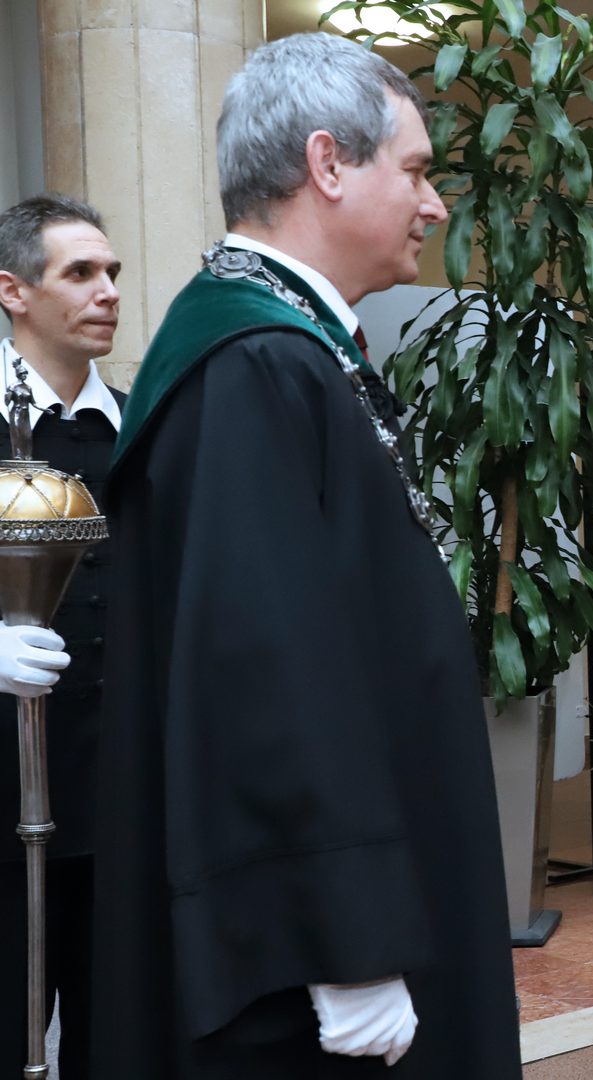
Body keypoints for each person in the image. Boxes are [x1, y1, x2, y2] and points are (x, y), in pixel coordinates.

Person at [91, 33, 520, 1078]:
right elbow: (267, 669)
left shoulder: (292, 351)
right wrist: (343, 940)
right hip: (312, 975)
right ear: (328, 164)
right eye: (415, 170)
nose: (435, 205)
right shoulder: (253, 363)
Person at [0, 193, 124, 1079]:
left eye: (112, 272)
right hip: (3, 792)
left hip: (119, 791)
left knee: (113, 1037)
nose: (107, 291)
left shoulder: (142, 424)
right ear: (14, 290)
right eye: (80, 273)